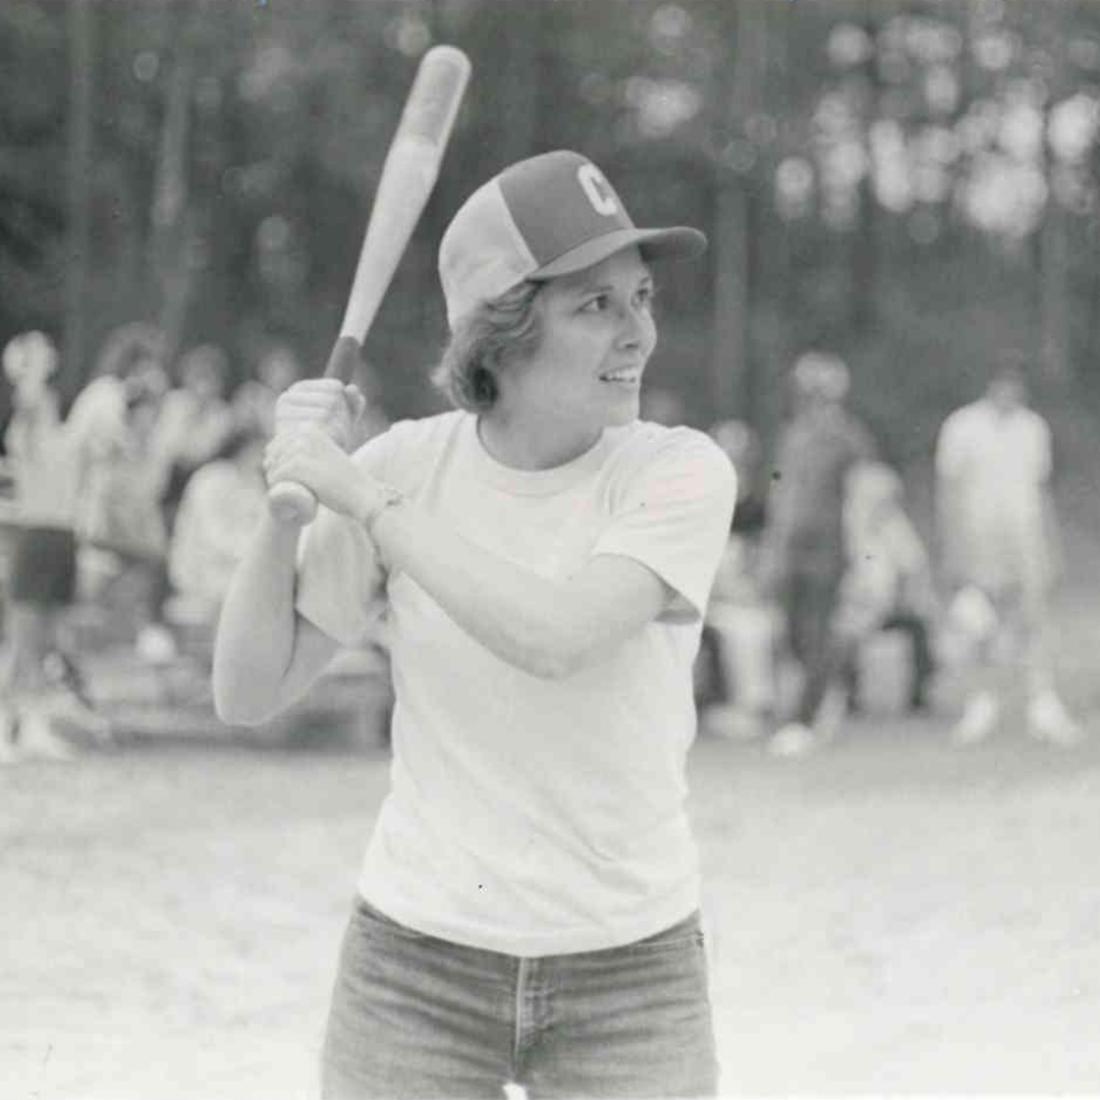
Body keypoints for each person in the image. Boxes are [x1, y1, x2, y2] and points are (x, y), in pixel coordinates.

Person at [214, 149, 736, 1098]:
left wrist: (364, 502)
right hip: (413, 968)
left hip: (631, 973)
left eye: (642, 298)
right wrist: (284, 509)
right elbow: (248, 692)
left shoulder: (675, 472)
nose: (639, 336)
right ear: (501, 337)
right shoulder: (406, 468)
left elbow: (556, 636)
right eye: (597, 306)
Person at [934, 359, 1082, 747]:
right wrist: (953, 548)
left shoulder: (1032, 428)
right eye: (1004, 384)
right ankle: (981, 704)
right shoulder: (962, 426)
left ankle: (1042, 704)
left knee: (1034, 619)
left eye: (1017, 385)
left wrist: (1050, 546)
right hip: (979, 537)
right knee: (982, 623)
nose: (1011, 392)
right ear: (990, 385)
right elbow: (948, 493)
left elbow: (1040, 490)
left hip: (1025, 536)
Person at [760, 351, 876, 757]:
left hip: (827, 550)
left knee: (816, 634)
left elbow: (863, 499)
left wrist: (863, 557)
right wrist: (772, 549)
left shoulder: (849, 438)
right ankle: (827, 697)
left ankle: (802, 721)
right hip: (791, 549)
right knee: (792, 635)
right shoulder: (792, 435)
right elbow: (781, 494)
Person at [0, 332, 107, 762]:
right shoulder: (24, 433)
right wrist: (33, 361)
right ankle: (13, 729)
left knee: (46, 646)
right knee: (24, 644)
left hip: (63, 541)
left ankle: (34, 727)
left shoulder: (65, 438)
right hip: (36, 539)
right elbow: (27, 395)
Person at [834, 460, 938, 715]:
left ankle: (919, 695)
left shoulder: (895, 526)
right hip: (854, 605)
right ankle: (850, 696)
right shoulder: (845, 526)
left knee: (919, 626)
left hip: (890, 605)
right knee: (844, 632)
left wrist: (907, 598)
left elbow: (915, 566)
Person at [698, 419, 779, 739]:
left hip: (745, 598)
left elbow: (764, 563)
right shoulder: (697, 504)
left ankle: (754, 709)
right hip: (707, 600)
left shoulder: (759, 508)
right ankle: (747, 708)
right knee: (745, 629)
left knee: (757, 624)